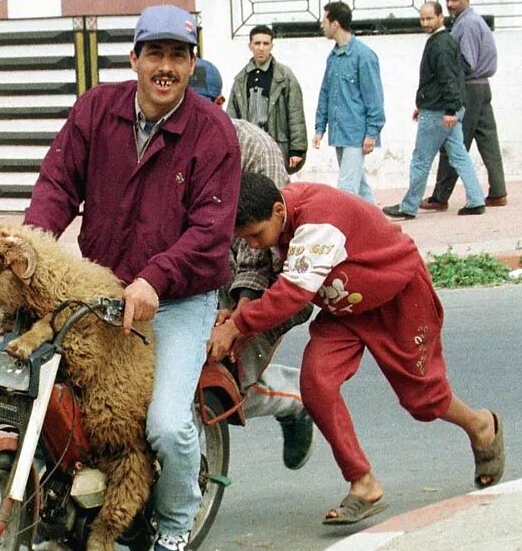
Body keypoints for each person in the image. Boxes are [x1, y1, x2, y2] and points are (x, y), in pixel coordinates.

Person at [24, 5, 241, 551]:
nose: (165, 67)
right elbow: (56, 184)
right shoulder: (97, 110)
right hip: (103, 288)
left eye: (178, 55)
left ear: (192, 63)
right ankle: (73, 512)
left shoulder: (212, 132)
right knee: (60, 396)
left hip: (179, 298)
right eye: (155, 54)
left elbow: (210, 231)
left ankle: (174, 525)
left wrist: (155, 278)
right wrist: (29, 254)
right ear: (135, 59)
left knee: (166, 424)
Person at [208, 172, 505, 524]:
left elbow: (292, 294)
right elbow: (276, 279)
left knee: (423, 400)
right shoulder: (279, 219)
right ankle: (363, 483)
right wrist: (238, 309)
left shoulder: (317, 220)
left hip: (398, 299)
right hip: (345, 309)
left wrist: (238, 325)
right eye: (246, 239)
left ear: (277, 210)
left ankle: (481, 426)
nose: (253, 245)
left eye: (256, 236)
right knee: (316, 383)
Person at [190, 58, 314, 470]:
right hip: (200, 283)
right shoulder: (169, 150)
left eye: (200, 104)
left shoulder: (254, 148)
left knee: (226, 378)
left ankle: (295, 401)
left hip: (262, 283)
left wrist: (241, 316)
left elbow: (264, 241)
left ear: (220, 102)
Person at [383, 2, 486, 220]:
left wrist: (447, 109)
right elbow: (444, 80)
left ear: (441, 17)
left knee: (421, 159)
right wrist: (426, 105)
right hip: (444, 109)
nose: (425, 23)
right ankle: (476, 200)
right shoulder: (444, 41)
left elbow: (448, 79)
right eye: (422, 19)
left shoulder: (440, 44)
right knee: (459, 156)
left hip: (439, 112)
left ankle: (409, 206)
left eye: (429, 18)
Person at [422, 0, 508, 210]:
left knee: (453, 143)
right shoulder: (473, 20)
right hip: (482, 87)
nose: (450, 4)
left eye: (455, 0)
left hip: (469, 88)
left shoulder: (467, 25)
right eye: (448, 0)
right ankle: (498, 191)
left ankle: (440, 197)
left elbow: (465, 62)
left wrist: (445, 78)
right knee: (488, 141)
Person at [312, 1, 385, 204]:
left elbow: (374, 97)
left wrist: (372, 132)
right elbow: (325, 92)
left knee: (347, 189)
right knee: (359, 188)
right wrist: (320, 128)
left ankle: (348, 232)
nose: (321, 25)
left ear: (335, 23)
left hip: (356, 133)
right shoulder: (333, 57)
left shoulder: (364, 55)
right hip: (340, 132)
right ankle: (379, 230)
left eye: (324, 20)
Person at [227, 25, 308, 174]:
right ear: (250, 46)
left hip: (277, 144)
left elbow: (296, 113)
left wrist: (297, 149)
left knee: (278, 188)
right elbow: (232, 117)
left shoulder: (284, 76)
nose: (261, 48)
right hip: (250, 146)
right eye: (257, 43)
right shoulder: (240, 79)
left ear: (272, 46)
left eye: (266, 43)